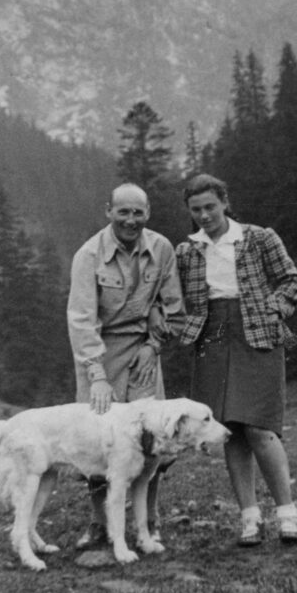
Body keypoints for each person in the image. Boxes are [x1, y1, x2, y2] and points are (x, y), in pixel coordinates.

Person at [175, 174, 297, 547]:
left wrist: (274, 307)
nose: (204, 215)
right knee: (229, 429)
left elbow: (293, 281)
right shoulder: (186, 251)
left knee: (260, 428)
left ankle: (287, 516)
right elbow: (172, 297)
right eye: (196, 210)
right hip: (212, 338)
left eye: (210, 207)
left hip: (257, 335)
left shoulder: (259, 238)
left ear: (224, 203)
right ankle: (250, 519)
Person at [67, 182, 185, 549]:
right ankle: (100, 522)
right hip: (99, 352)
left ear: (147, 213)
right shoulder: (89, 255)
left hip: (143, 353)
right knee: (98, 437)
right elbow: (81, 320)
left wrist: (153, 346)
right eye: (123, 212)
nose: (130, 220)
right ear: (109, 211)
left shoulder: (161, 248)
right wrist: (97, 376)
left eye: (138, 212)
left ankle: (148, 521)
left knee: (152, 437)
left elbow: (174, 307)